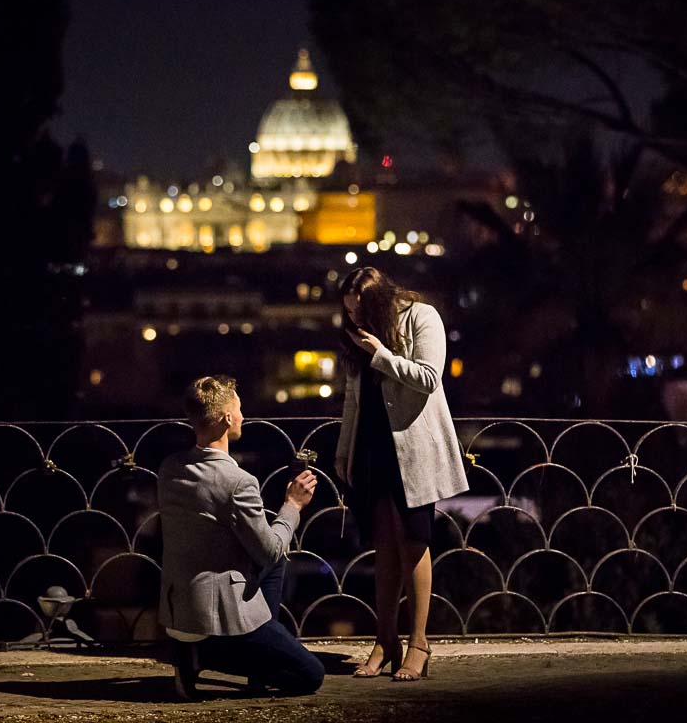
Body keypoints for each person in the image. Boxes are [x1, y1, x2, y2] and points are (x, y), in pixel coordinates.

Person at [334, 267, 469, 681]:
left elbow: (430, 378)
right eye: (349, 314)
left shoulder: (421, 317)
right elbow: (354, 399)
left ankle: (419, 643)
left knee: (413, 540)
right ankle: (384, 639)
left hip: (412, 448)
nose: (355, 320)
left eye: (360, 311)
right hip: (374, 445)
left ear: (378, 302)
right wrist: (344, 452)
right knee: (383, 545)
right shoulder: (360, 336)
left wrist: (382, 355)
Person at [158, 375, 324, 699]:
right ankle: (210, 658)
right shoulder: (238, 481)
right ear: (227, 418)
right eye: (240, 409)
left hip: (179, 612)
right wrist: (293, 505)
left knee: (273, 559)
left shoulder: (170, 468)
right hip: (216, 623)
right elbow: (270, 551)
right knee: (310, 675)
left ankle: (204, 656)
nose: (244, 416)